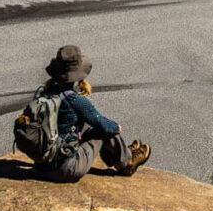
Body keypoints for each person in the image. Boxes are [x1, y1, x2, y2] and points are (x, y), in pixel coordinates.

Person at [37, 44, 151, 182]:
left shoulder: (43, 93)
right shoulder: (74, 100)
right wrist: (116, 127)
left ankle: (122, 155)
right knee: (103, 129)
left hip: (42, 165)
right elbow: (102, 123)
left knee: (85, 125)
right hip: (66, 169)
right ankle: (127, 163)